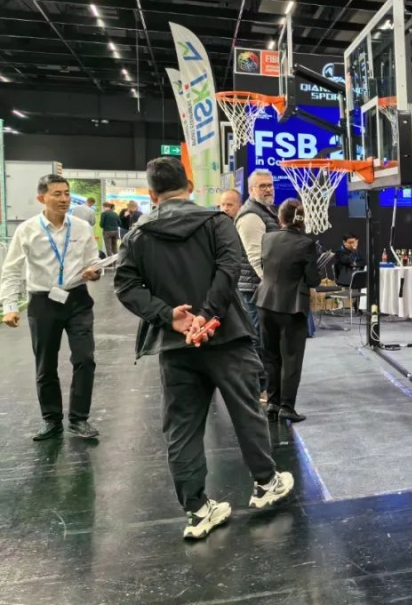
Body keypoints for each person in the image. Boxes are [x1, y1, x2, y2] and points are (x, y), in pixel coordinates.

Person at [114, 157, 294, 541]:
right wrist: (208, 317)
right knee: (246, 410)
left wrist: (171, 316)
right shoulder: (216, 222)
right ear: (191, 186)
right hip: (226, 337)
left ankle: (197, 510)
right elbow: (229, 270)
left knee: (182, 427)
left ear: (152, 194)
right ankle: (266, 482)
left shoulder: (137, 235)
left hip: (175, 344)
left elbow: (126, 287)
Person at [0, 174, 102, 440]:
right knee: (45, 364)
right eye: (57, 194)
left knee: (85, 359)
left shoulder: (81, 227)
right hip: (43, 301)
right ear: (41, 198)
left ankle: (79, 419)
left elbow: (93, 261)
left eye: (67, 193)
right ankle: (51, 420)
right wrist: (10, 305)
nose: (64, 199)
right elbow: (11, 270)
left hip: (77, 299)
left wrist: (94, 272)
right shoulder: (28, 230)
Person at [255, 199, 320, 422]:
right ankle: (287, 406)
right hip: (292, 306)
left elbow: (265, 267)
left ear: (280, 218)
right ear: (302, 220)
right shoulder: (306, 244)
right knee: (291, 358)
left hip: (265, 302)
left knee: (271, 355)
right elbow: (313, 279)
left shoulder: (267, 238)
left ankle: (273, 403)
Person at [235, 170, 280, 396]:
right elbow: (255, 257)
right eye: (262, 186)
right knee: (258, 339)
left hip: (263, 288)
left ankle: (265, 387)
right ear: (251, 189)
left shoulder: (266, 211)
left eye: (270, 185)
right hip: (256, 288)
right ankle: (259, 388)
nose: (268, 189)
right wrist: (272, 285)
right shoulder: (251, 216)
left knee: (266, 339)